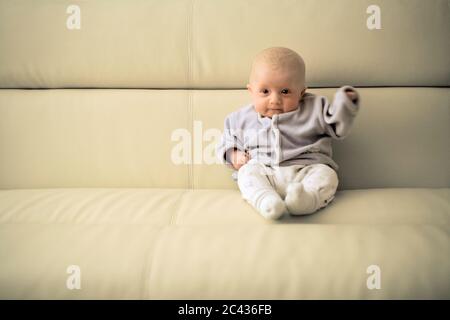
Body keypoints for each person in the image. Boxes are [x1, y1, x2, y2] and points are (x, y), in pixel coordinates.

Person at [216, 47, 360, 219]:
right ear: (251, 91)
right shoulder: (239, 119)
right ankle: (266, 200)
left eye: (285, 92)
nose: (275, 100)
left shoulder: (315, 109)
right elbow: (225, 142)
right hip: (265, 171)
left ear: (301, 93)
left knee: (327, 175)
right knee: (246, 173)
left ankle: (306, 200)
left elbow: (338, 127)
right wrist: (233, 154)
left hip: (306, 169)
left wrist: (345, 105)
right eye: (265, 91)